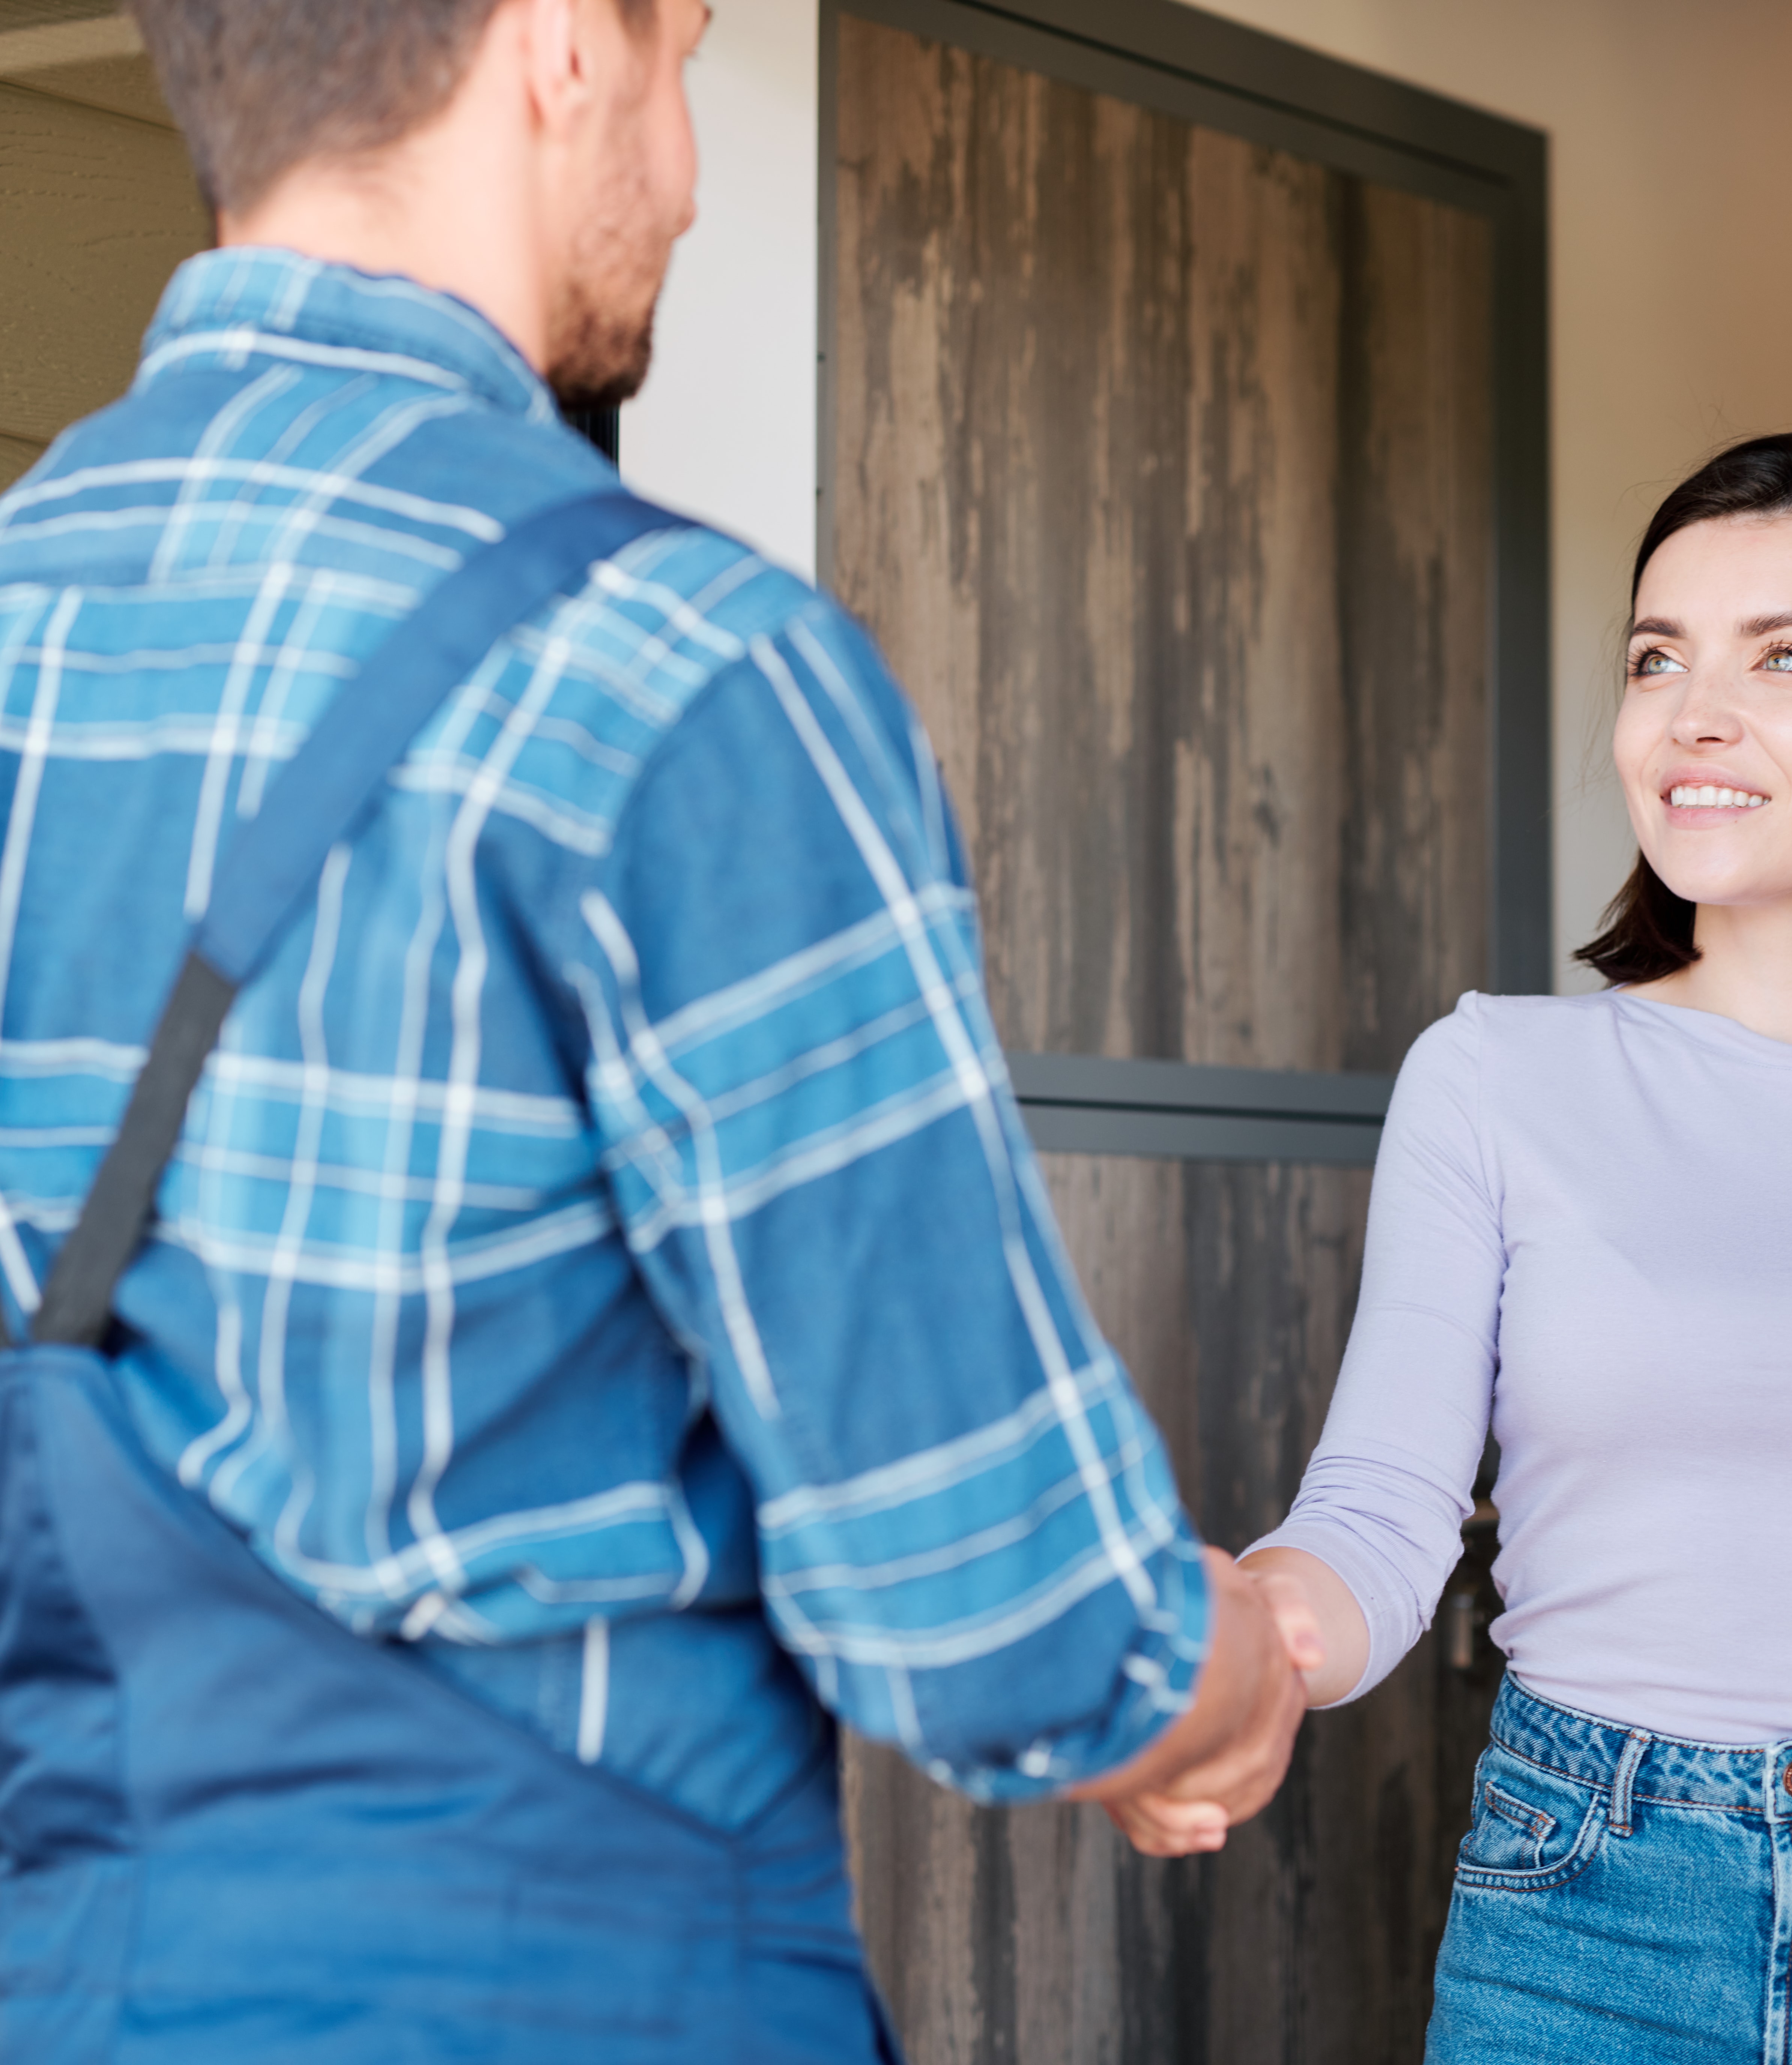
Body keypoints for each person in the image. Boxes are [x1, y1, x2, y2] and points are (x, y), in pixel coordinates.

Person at [0, 1, 1318, 2056]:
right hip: (564, 1986)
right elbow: (999, 1613)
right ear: (557, 50)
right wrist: (1232, 1671)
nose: (692, 175)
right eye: (687, 56)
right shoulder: (680, 674)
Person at [1245, 430, 1792, 2062]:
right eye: (1653, 656)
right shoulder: (1491, 1075)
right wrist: (1244, 1627)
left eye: (1784, 656)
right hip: (1586, 1900)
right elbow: (1380, 1515)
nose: (1691, 714)